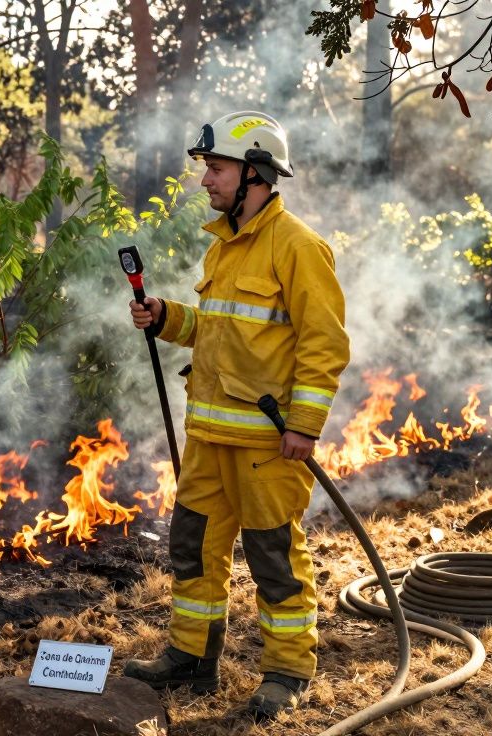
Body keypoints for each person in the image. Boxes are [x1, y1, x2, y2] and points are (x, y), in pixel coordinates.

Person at [123, 111, 350, 720]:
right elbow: (220, 332)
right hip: (209, 436)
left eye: (216, 169)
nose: (206, 181)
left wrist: (303, 426)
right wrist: (168, 317)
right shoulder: (225, 245)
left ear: (255, 172)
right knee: (194, 550)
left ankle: (287, 670)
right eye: (207, 169)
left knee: (274, 559)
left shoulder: (299, 247)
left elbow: (323, 345)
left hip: (267, 447)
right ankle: (192, 658)